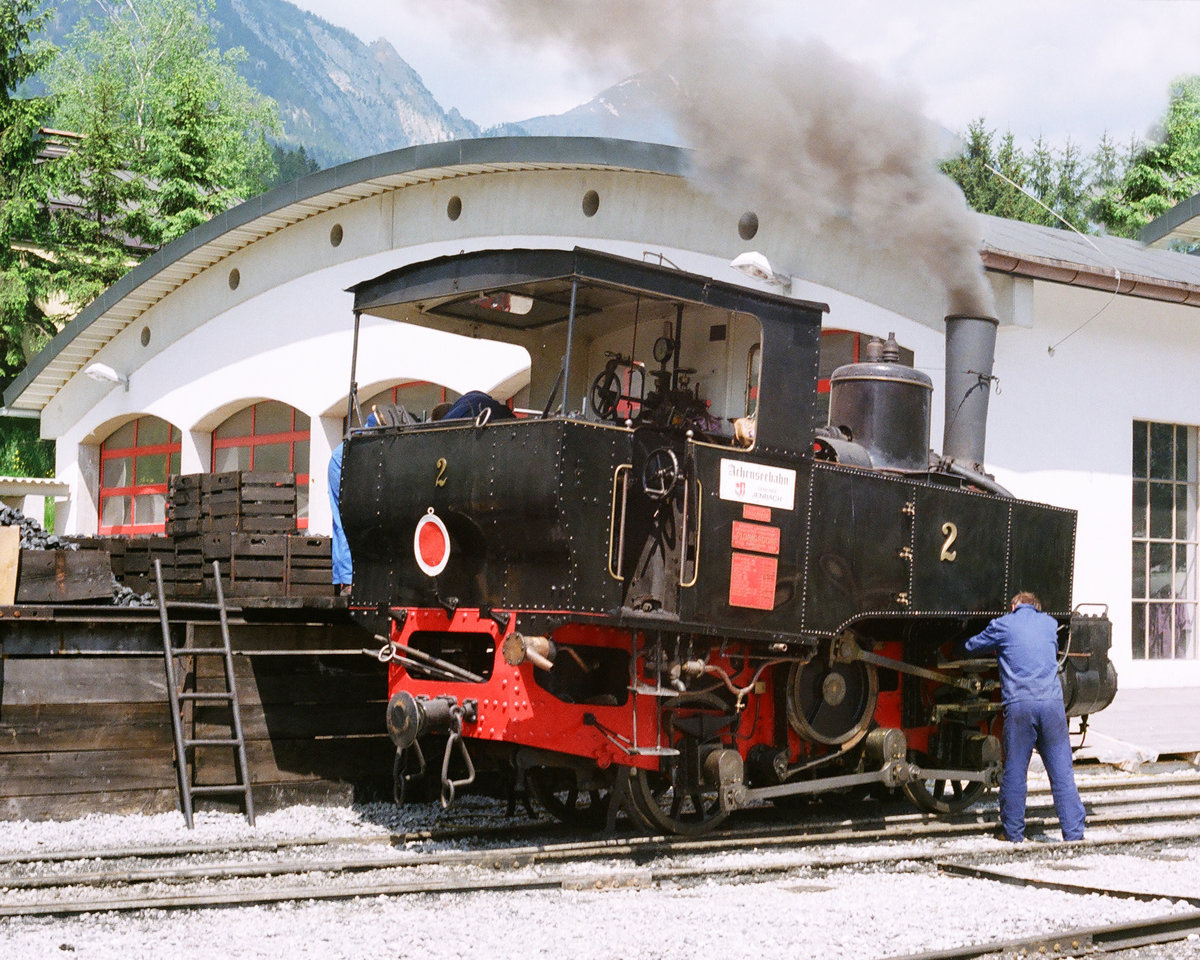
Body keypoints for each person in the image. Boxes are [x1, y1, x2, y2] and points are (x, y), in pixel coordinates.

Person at [962, 591, 1085, 843]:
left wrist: (958, 646)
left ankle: (1013, 833)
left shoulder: (1003, 624)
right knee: (1062, 772)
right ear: (1037, 607)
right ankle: (1074, 834)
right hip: (1053, 706)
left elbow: (972, 646)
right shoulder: (1050, 624)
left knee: (1016, 771)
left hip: (1021, 707)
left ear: (1013, 606)